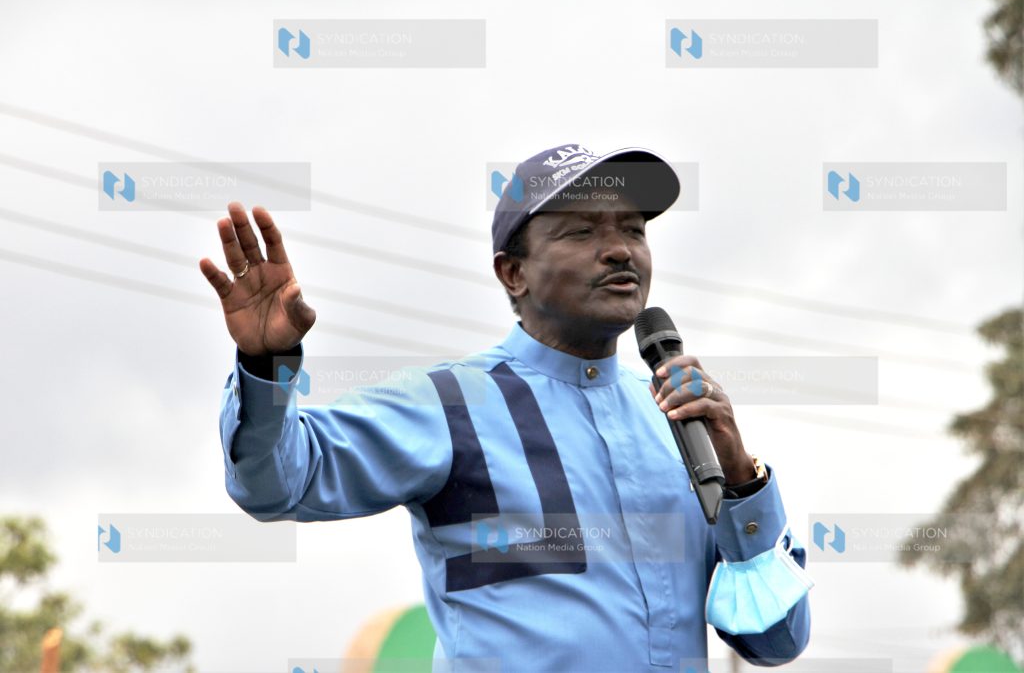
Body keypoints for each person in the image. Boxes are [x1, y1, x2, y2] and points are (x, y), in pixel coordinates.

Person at [199, 144, 812, 672]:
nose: (620, 250)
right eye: (583, 231)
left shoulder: (677, 423)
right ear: (513, 272)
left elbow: (774, 641)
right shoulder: (448, 404)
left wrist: (741, 482)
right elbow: (276, 483)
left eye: (633, 229)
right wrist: (267, 365)